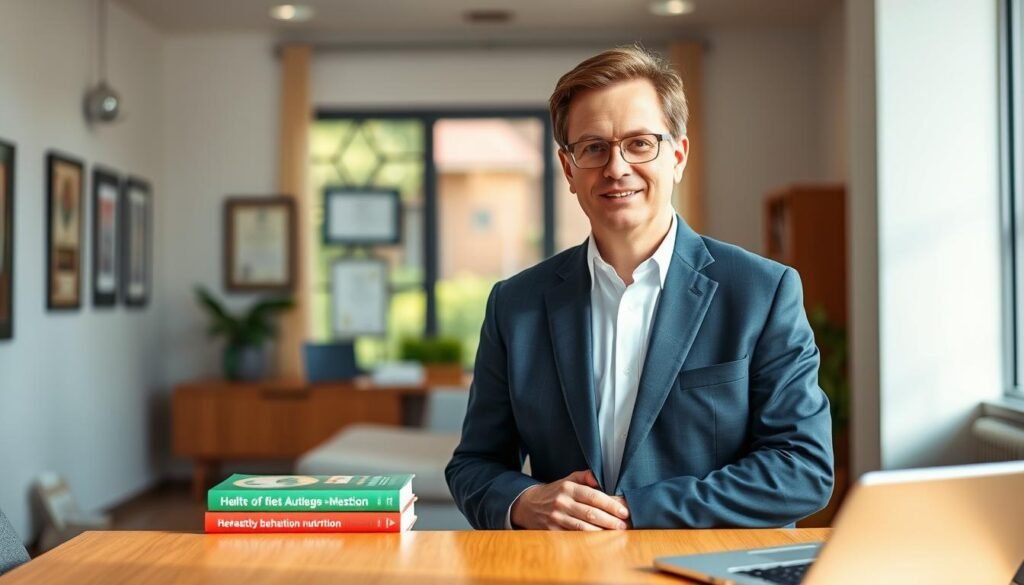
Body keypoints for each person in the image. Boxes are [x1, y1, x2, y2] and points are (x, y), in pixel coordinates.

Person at [445, 46, 833, 530]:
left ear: (678, 155)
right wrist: (525, 501)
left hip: (714, 569)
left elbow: (802, 470)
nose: (616, 167)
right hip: (567, 571)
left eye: (640, 143)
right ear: (568, 170)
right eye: (593, 147)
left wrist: (636, 512)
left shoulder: (762, 291)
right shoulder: (515, 304)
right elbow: (474, 465)